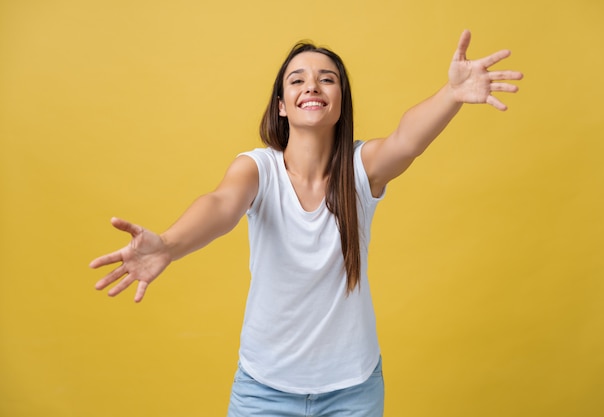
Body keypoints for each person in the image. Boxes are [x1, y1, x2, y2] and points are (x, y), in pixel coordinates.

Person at [90, 30, 523, 417]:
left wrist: (451, 95)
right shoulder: (257, 169)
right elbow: (220, 206)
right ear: (281, 104)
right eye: (297, 79)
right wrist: (168, 244)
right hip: (264, 390)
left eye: (326, 78)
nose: (311, 85)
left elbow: (405, 141)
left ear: (339, 103)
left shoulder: (360, 168)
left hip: (352, 391)